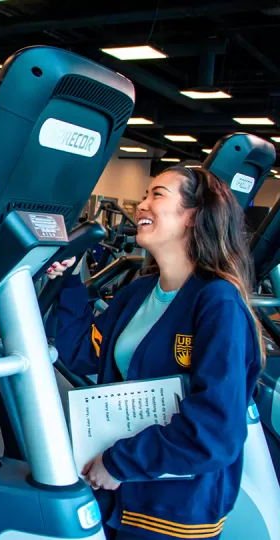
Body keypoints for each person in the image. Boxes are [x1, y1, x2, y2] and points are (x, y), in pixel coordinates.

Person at [47, 166, 264, 540]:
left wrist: (119, 463)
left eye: (157, 195)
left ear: (195, 216)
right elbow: (82, 351)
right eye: (145, 195)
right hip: (120, 497)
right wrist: (66, 278)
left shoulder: (217, 301)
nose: (142, 204)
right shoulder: (139, 292)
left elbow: (214, 430)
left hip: (173, 509)